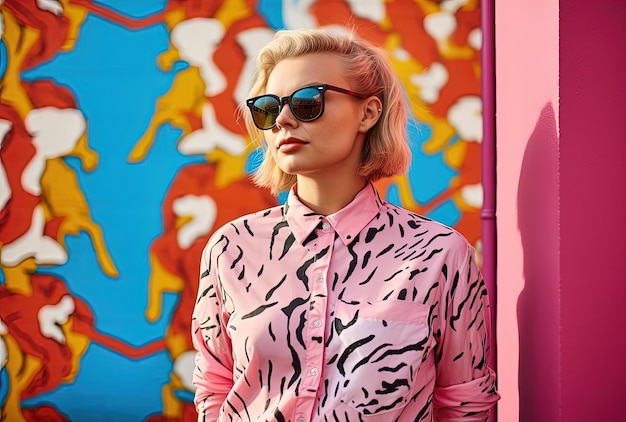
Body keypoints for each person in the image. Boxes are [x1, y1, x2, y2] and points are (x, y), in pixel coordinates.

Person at [191, 27, 500, 421]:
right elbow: (214, 386)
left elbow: (466, 405)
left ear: (368, 112)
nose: (283, 120)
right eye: (268, 107)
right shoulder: (230, 248)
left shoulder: (439, 256)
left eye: (307, 102)